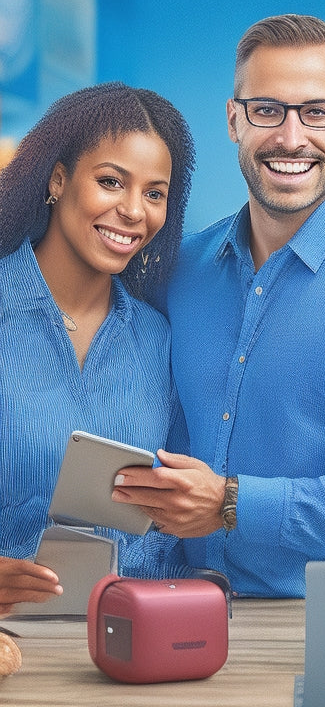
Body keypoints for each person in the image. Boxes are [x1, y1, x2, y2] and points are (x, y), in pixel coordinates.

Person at [111, 14, 325, 597]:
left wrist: (233, 503)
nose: (291, 137)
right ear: (233, 121)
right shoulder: (177, 273)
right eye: (267, 110)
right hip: (170, 605)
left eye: (316, 112)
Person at [0, 82, 195, 615]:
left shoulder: (157, 339)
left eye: (155, 193)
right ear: (57, 180)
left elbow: (167, 522)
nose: (134, 211)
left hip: (137, 637)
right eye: (111, 182)